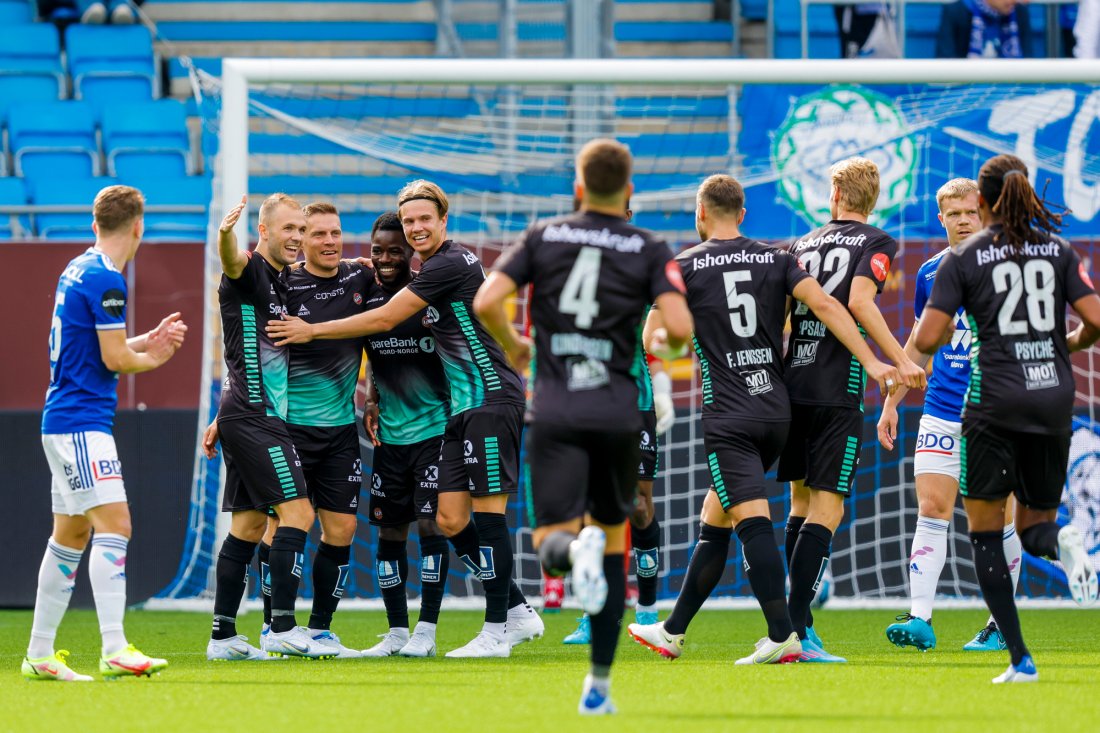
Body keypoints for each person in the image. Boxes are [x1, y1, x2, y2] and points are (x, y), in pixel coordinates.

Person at [627, 174, 900, 665]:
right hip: (777, 406)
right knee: (717, 513)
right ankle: (671, 630)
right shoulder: (777, 257)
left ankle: (783, 633)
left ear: (701, 213)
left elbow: (654, 339)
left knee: (752, 520)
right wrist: (875, 361)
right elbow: (825, 305)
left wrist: (682, 341)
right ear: (744, 214)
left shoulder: (683, 265)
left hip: (729, 412)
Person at [267, 181, 542, 658]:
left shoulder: (448, 264)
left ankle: (499, 628)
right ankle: (516, 609)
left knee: (487, 516)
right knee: (453, 519)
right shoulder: (421, 270)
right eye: (408, 220)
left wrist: (311, 330)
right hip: (460, 410)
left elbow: (382, 322)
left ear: (443, 221)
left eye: (423, 220)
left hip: (490, 397)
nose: (415, 228)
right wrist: (373, 393)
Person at [474, 138, 693, 714]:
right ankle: (598, 686)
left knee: (552, 544)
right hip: (620, 412)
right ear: (629, 192)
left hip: (557, 409)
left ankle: (576, 557)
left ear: (577, 187)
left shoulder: (543, 236)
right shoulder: (648, 246)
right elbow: (679, 328)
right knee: (615, 542)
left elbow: (487, 301)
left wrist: (519, 349)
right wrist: (667, 342)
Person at [912, 153, 1100, 683]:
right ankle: (1065, 540)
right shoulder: (1057, 250)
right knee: (1035, 526)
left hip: (994, 401)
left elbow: (927, 340)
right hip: (1053, 399)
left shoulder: (964, 259)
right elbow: (1095, 322)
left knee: (986, 532)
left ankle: (1020, 659)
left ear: (986, 202)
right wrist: (1062, 346)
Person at [25, 184, 184, 681]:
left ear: (96, 225)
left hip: (65, 421)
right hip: (81, 424)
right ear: (139, 226)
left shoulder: (79, 267)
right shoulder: (108, 280)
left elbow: (95, 347)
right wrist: (154, 357)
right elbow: (115, 359)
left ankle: (39, 655)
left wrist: (143, 340)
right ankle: (114, 647)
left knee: (70, 535)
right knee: (116, 525)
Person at [777, 156, 927, 663]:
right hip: (836, 387)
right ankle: (793, 630)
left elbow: (783, 320)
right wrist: (899, 359)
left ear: (836, 195)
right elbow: (862, 303)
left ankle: (800, 627)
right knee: (829, 507)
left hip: (791, 383)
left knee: (799, 503)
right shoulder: (876, 243)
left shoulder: (800, 243)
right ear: (873, 198)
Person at [879, 179, 1024, 652]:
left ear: (984, 214)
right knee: (931, 508)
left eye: (970, 212)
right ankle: (920, 617)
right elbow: (922, 342)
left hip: (993, 413)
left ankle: (1000, 624)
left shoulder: (1011, 266)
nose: (963, 220)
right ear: (940, 219)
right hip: (941, 408)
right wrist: (891, 402)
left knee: (998, 519)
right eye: (953, 213)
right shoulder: (929, 273)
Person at [205, 194, 331, 661]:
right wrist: (224, 235)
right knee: (298, 515)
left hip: (244, 414)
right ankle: (281, 627)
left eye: (302, 229)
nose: (297, 237)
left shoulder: (280, 284)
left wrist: (222, 417)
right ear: (265, 232)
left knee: (248, 524)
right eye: (289, 230)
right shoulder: (253, 269)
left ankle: (222, 636)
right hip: (257, 417)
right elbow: (232, 261)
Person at [357, 212, 453, 658]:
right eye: (379, 249)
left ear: (411, 253)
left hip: (435, 430)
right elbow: (375, 355)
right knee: (389, 532)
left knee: (432, 524)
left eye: (396, 250)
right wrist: (373, 396)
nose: (386, 258)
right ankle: (397, 631)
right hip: (390, 437)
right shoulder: (364, 299)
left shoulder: (429, 299)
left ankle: (427, 632)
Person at [935, 0, 1033, 58]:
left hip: (1011, 89)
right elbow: (945, 57)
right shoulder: (956, 11)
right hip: (964, 89)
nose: (1013, 1)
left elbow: (1028, 58)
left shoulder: (1019, 12)